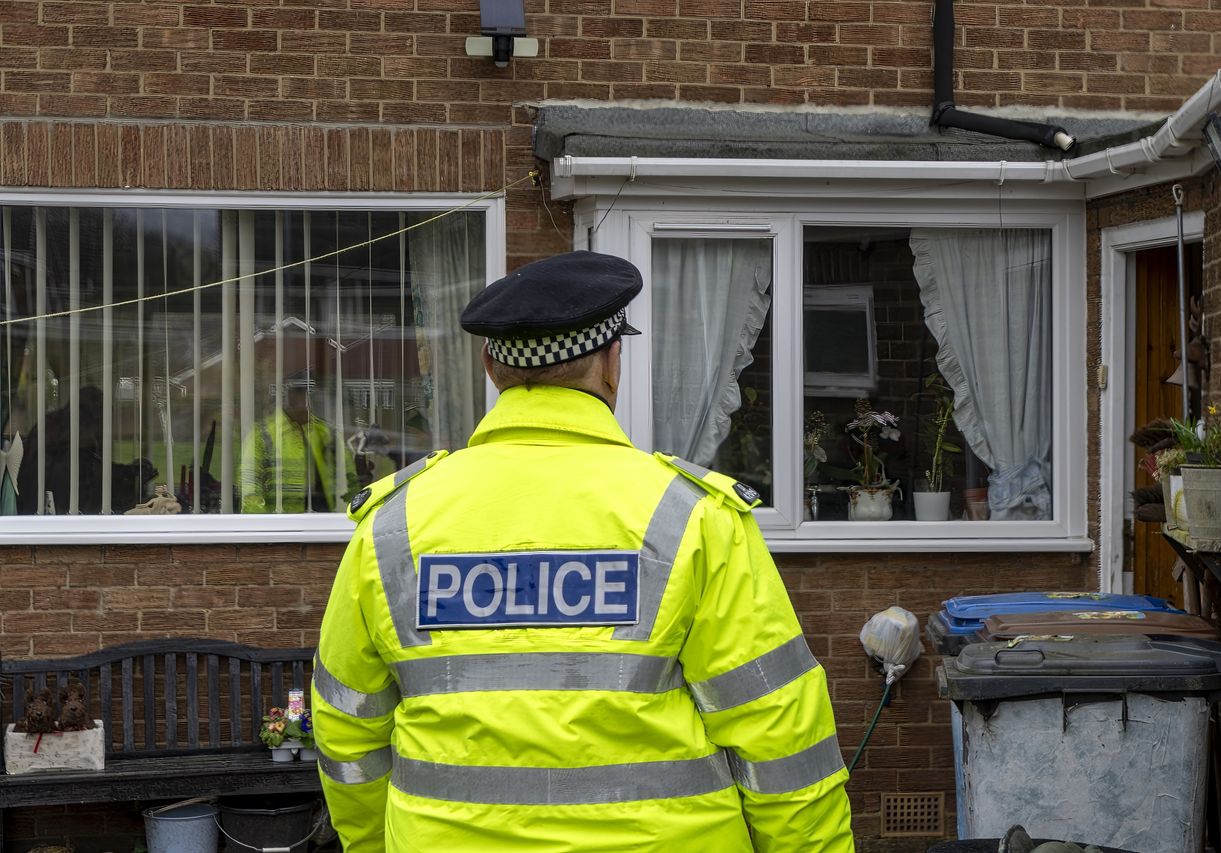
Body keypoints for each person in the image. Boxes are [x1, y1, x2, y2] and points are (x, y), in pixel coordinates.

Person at [312, 251, 856, 852]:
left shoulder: (392, 525)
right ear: (610, 364)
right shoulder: (694, 517)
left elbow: (348, 733)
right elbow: (779, 733)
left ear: (492, 367)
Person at [238, 369, 357, 513]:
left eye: (314, 393)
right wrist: (259, 522)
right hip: (280, 521)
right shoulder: (263, 432)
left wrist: (354, 513)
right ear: (290, 396)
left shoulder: (326, 432)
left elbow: (348, 477)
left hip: (324, 520)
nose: (310, 399)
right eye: (303, 393)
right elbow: (249, 479)